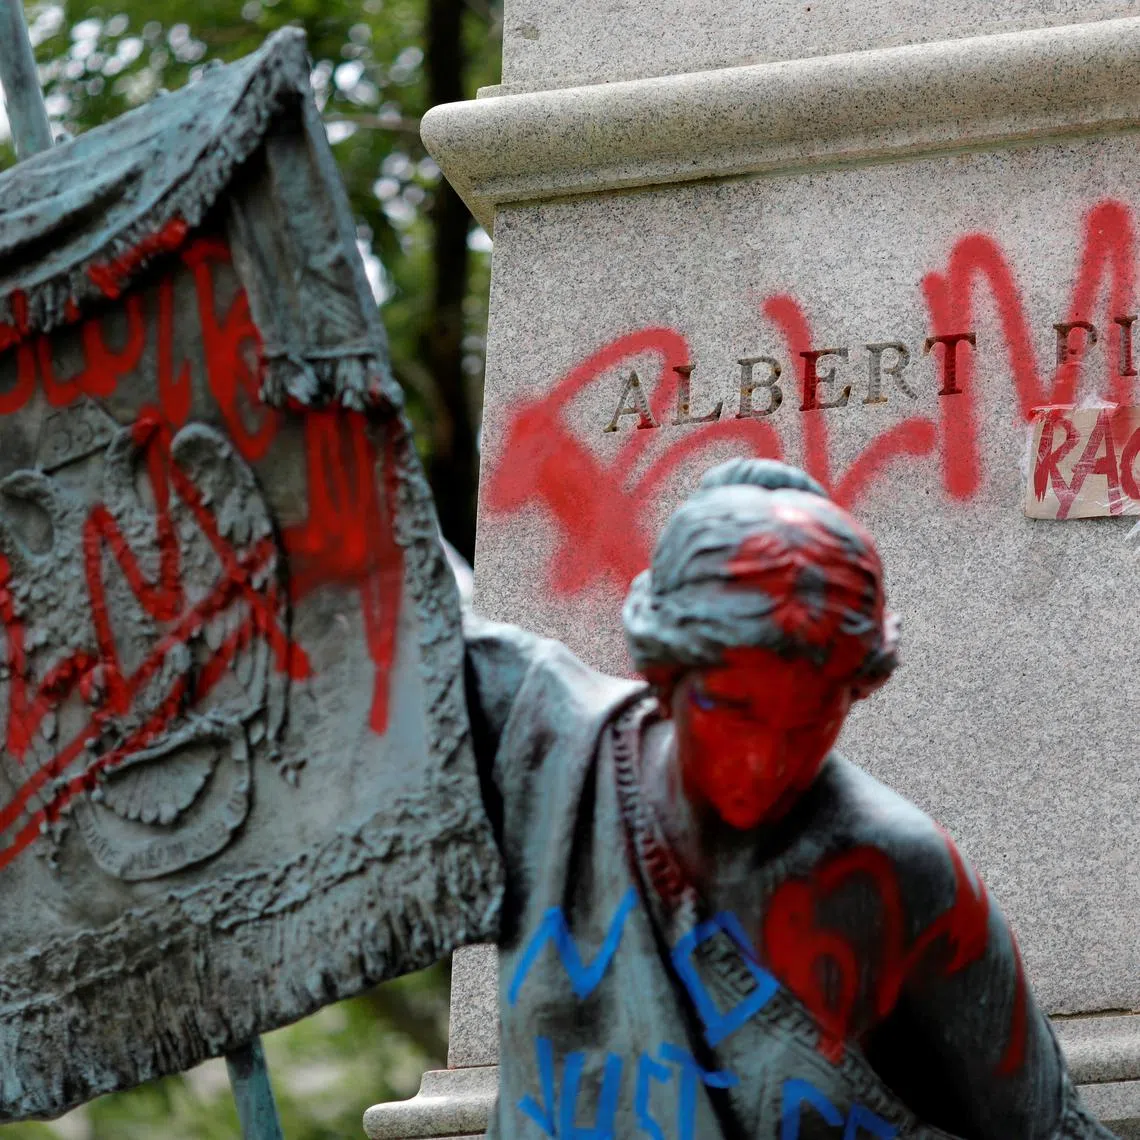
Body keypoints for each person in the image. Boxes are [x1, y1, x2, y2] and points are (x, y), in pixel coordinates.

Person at [463, 458, 1112, 1140]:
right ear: (663, 673)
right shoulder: (550, 754)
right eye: (732, 708)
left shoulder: (897, 873)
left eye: (809, 721)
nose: (764, 760)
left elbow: (1045, 1129)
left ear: (856, 693)